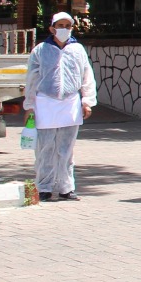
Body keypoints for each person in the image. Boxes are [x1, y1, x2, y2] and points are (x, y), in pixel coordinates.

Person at [24, 12, 97, 202]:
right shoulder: (40, 50)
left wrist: (87, 101)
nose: (64, 29)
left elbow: (86, 75)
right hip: (45, 102)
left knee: (66, 148)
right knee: (45, 147)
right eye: (60, 25)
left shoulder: (78, 49)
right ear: (52, 28)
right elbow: (32, 78)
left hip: (70, 103)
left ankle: (66, 188)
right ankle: (44, 187)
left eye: (67, 25)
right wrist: (29, 105)